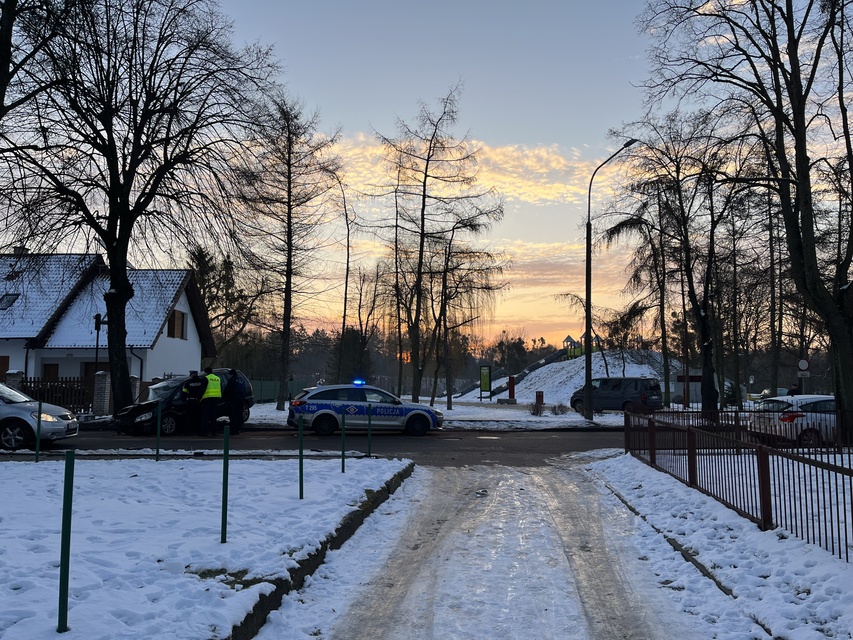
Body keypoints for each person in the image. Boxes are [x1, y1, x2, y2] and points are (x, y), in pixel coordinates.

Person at [181, 370, 207, 436]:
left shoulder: (188, 382)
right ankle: (199, 430)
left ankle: (187, 431)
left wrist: (184, 400)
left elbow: (184, 392)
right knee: (199, 416)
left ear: (192, 374)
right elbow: (204, 390)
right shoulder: (201, 381)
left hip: (190, 401)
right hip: (199, 401)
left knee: (189, 417)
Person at [223, 369, 247, 435]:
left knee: (233, 415)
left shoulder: (232, 380)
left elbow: (227, 389)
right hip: (241, 399)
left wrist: (225, 398)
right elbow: (244, 390)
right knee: (239, 415)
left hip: (234, 400)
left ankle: (233, 430)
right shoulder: (241, 380)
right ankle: (238, 429)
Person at [200, 367, 222, 437]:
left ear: (206, 372)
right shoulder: (217, 378)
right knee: (213, 416)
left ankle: (204, 432)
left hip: (207, 399)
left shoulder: (206, 378)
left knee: (205, 416)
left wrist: (200, 398)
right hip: (215, 399)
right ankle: (214, 431)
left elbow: (202, 389)